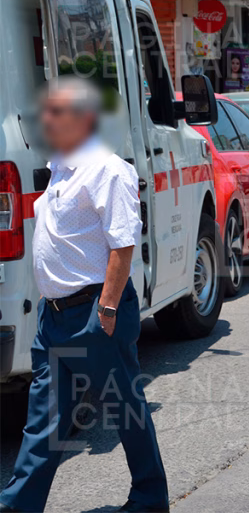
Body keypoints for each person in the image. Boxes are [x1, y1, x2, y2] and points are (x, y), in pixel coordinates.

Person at [0, 79, 169, 513]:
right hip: (54, 317)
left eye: (56, 112)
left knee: (125, 411)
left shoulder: (108, 170)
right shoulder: (60, 166)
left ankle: (150, 499)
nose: (46, 120)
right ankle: (18, 506)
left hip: (96, 312)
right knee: (43, 423)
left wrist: (107, 310)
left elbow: (123, 243)